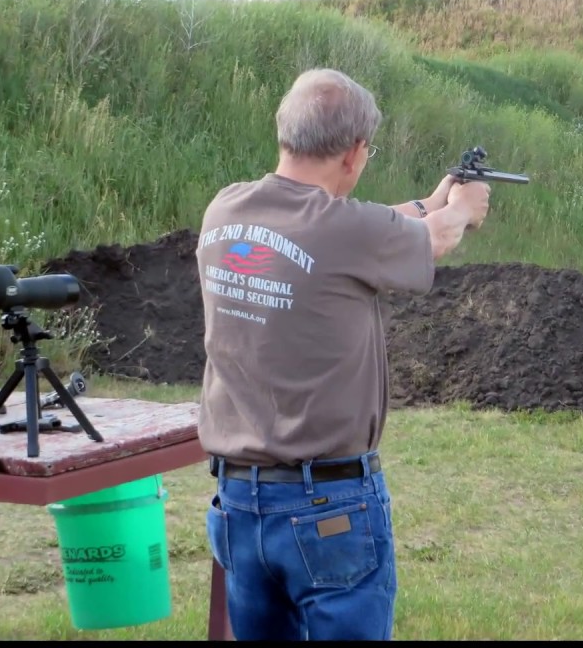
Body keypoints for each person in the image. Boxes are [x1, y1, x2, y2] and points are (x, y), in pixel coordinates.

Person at [195, 67, 491, 641]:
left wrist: (430, 198)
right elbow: (436, 236)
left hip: (237, 501)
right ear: (355, 154)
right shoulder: (343, 230)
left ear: (286, 132)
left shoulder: (225, 210)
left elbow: (355, 225)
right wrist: (461, 208)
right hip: (327, 503)